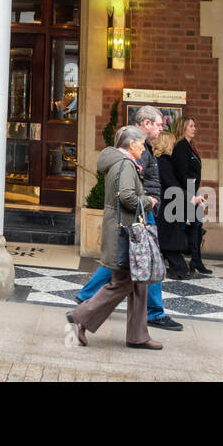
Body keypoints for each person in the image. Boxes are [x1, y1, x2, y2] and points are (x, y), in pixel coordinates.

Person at [75, 106, 183, 332]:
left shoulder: (138, 148)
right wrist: (149, 202)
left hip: (140, 214)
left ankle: (86, 299)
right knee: (146, 263)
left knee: (123, 266)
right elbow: (128, 192)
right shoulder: (134, 152)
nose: (161, 128)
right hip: (139, 215)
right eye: (158, 124)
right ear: (145, 124)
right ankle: (151, 313)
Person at [65, 125, 162, 350]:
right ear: (130, 145)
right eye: (141, 145)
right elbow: (127, 197)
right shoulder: (126, 164)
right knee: (123, 282)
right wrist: (149, 202)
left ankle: (138, 335)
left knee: (138, 283)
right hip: (126, 233)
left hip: (121, 230)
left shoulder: (119, 162)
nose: (143, 149)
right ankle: (80, 315)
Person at [172, 116, 211, 274]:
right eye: (191, 126)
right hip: (185, 192)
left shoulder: (190, 146)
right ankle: (176, 259)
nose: (194, 128)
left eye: (195, 126)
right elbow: (181, 173)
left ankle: (196, 260)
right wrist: (189, 195)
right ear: (183, 128)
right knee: (181, 225)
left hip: (192, 191)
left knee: (196, 224)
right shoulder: (181, 146)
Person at [152, 132, 191, 279]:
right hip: (166, 206)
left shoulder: (161, 162)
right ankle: (179, 270)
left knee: (166, 238)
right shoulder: (164, 162)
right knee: (169, 239)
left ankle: (179, 270)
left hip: (165, 205)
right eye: (173, 143)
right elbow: (171, 184)